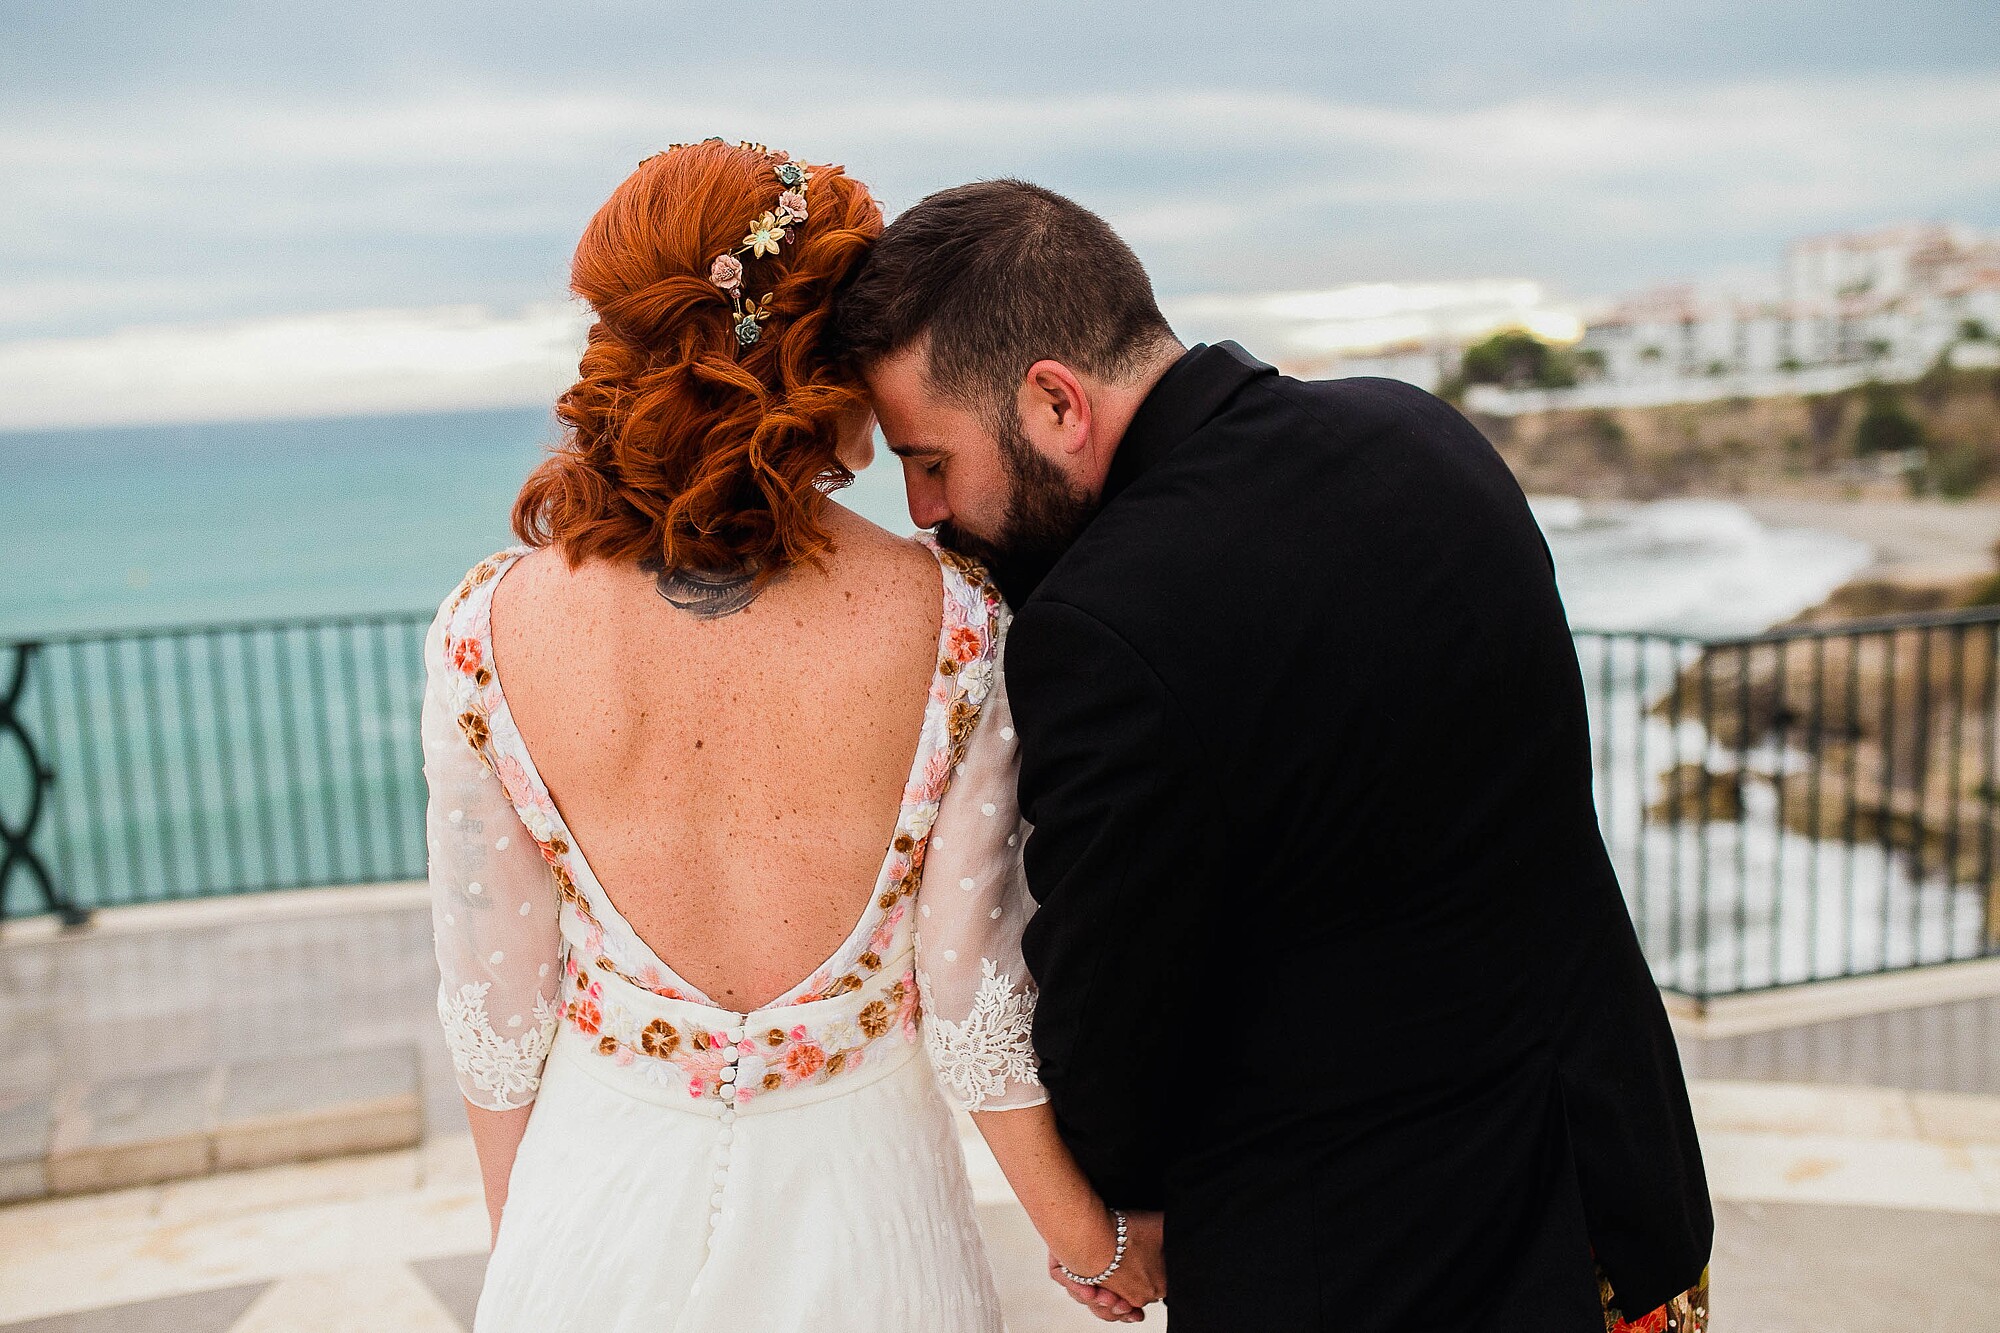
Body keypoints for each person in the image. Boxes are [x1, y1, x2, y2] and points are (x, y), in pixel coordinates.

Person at [834, 178, 1715, 1332]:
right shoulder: (1422, 434)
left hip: (1374, 1267)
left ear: (1055, 401)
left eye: (930, 458)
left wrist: (1110, 1206)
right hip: (1621, 1194)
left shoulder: (1105, 624)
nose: (922, 509)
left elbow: (1108, 1023)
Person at [422, 142, 1162, 1332]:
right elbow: (972, 995)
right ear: (827, 361)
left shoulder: (482, 629)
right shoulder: (956, 620)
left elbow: (497, 1015)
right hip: (869, 1224)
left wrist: (531, 1252)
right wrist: (1092, 1240)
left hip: (589, 1203)